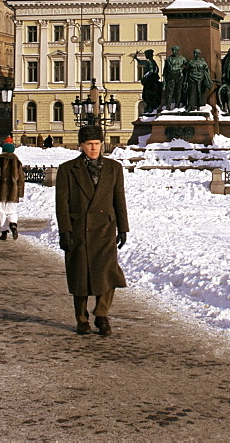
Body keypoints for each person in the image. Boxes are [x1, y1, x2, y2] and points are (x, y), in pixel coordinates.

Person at [55, 124, 129, 336]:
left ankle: (102, 314)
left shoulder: (114, 168)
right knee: (80, 277)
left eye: (97, 144)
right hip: (79, 230)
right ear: (81, 145)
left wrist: (123, 228)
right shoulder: (68, 170)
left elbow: (119, 199)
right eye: (89, 144)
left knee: (108, 274)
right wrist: (65, 231)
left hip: (105, 229)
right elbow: (62, 204)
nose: (94, 148)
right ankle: (81, 318)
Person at [0, 140, 25, 240]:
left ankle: (4, 232)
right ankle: (13, 224)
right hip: (13, 191)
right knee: (12, 211)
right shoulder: (17, 162)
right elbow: (21, 178)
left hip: (2, 190)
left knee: (1, 211)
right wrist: (20, 192)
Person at [133, 49, 161, 113]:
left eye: (146, 55)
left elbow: (150, 71)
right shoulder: (150, 61)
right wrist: (136, 58)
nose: (145, 56)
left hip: (150, 82)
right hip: (151, 81)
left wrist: (145, 78)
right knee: (147, 95)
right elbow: (142, 62)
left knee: (148, 95)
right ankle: (150, 107)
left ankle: (150, 107)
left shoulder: (150, 62)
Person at [161, 45, 186, 110]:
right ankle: (168, 106)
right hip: (170, 77)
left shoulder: (182, 58)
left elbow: (188, 65)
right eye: (173, 50)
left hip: (179, 76)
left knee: (178, 91)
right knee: (170, 91)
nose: (174, 51)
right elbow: (165, 69)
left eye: (176, 50)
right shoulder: (168, 59)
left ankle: (177, 106)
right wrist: (164, 79)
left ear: (178, 51)